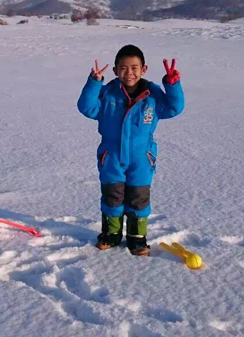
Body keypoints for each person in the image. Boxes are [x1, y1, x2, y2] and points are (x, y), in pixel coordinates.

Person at [77, 44, 184, 255]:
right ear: (116, 71)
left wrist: (172, 85)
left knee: (138, 197)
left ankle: (137, 238)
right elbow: (87, 108)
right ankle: (111, 234)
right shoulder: (107, 93)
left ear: (143, 69)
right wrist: (94, 83)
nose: (129, 73)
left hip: (141, 158)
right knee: (112, 196)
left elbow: (174, 108)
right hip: (112, 157)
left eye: (134, 68)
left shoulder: (152, 95)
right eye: (123, 68)